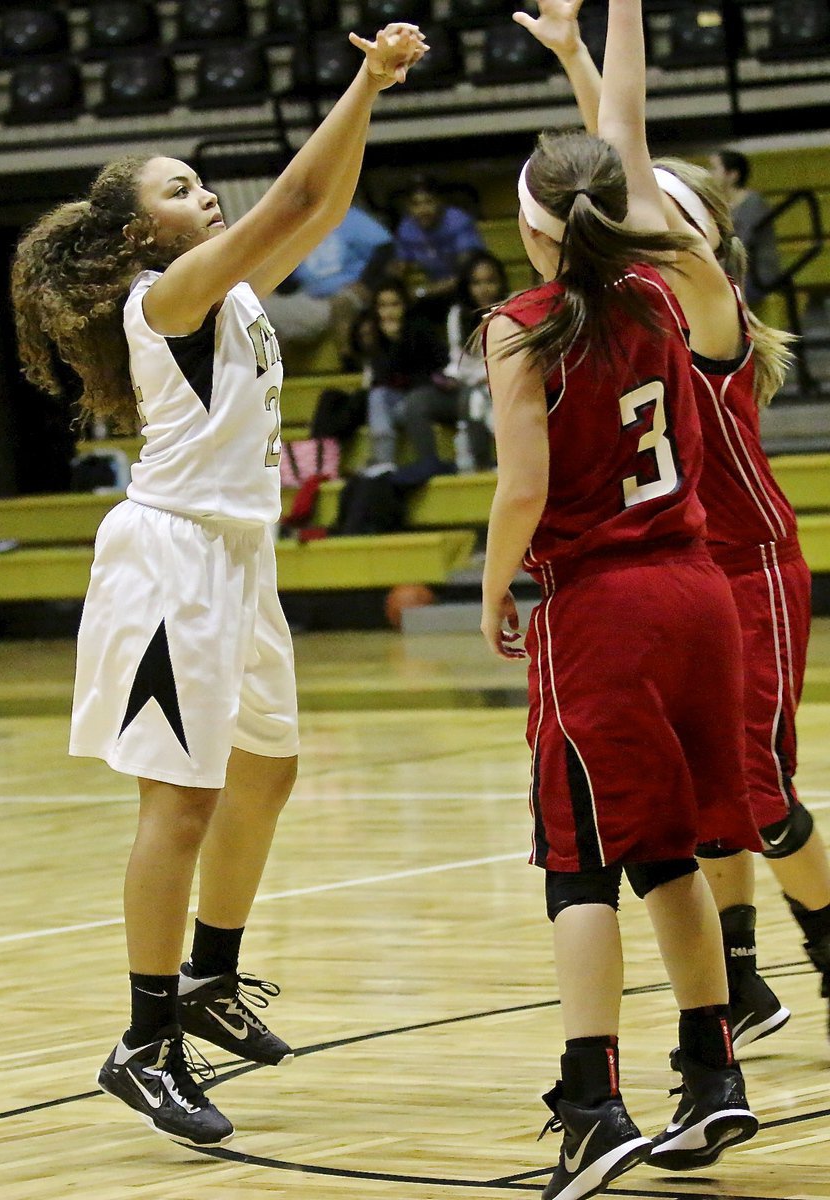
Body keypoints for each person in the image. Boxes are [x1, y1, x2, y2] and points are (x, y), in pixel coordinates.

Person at [10, 22, 427, 1149]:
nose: (206, 197)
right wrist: (366, 76)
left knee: (268, 774)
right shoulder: (167, 299)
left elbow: (322, 210)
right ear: (142, 230)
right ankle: (143, 1043)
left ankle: (210, 978)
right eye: (184, 187)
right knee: (180, 803)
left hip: (238, 558)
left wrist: (371, 104)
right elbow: (292, 198)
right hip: (171, 563)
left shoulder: (231, 290)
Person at [480, 4, 761, 1198]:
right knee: (672, 855)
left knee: (577, 864)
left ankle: (591, 1103)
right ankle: (712, 1076)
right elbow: (625, 134)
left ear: (532, 224)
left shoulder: (521, 326)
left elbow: (520, 489)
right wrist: (610, 29)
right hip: (701, 599)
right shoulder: (665, 294)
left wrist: (495, 590)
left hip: (600, 605)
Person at [534, 0, 830, 1050]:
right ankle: (740, 980)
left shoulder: (708, 307)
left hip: (752, 571)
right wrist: (576, 53)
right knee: (706, 795)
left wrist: (617, 19)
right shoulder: (634, 302)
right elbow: (609, 167)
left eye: (670, 208)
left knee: (753, 794)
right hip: (681, 580)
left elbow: (627, 147)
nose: (647, 212)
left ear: (708, 235)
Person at [260, 201, 393, 365]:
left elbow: (386, 248)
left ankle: (351, 369)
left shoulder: (348, 216)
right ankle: (276, 375)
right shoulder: (296, 225)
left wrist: (366, 284)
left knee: (341, 305)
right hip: (312, 298)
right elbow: (286, 281)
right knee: (258, 309)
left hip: (350, 293)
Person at [363, 278, 454, 478]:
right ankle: (383, 461)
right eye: (383, 306)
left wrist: (398, 341)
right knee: (377, 396)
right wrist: (390, 343)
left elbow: (435, 371)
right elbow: (381, 378)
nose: (389, 311)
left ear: (405, 305)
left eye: (395, 304)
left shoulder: (421, 329)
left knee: (411, 402)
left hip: (423, 400)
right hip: (396, 404)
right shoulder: (376, 336)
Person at [443, 250, 509, 470]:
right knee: (472, 397)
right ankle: (478, 464)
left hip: (503, 382)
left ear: (501, 282)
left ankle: (483, 461)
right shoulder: (458, 315)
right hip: (470, 384)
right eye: (477, 283)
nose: (484, 289)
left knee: (476, 399)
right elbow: (457, 360)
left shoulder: (511, 310)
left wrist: (487, 379)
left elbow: (509, 357)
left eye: (490, 281)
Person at [389, 174, 485, 308]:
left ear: (440, 201)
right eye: (416, 204)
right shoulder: (407, 228)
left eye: (428, 201)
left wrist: (422, 292)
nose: (423, 210)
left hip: (467, 292)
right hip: (434, 294)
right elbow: (399, 269)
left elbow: (466, 274)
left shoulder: (458, 221)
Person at [710, 149, 782, 309]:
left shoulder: (753, 203)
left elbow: (741, 242)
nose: (710, 174)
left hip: (756, 273)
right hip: (736, 270)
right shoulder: (721, 205)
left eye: (714, 168)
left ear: (733, 175)